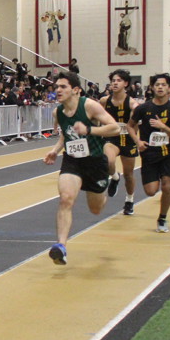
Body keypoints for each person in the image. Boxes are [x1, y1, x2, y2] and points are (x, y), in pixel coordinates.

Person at [42, 72, 120, 265]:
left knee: (96, 209)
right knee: (66, 198)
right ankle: (61, 246)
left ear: (76, 90)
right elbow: (66, 134)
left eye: (63, 87)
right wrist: (55, 150)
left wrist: (89, 130)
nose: (58, 90)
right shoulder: (58, 112)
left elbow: (115, 128)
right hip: (73, 160)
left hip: (95, 162)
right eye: (57, 87)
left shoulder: (89, 106)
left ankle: (110, 180)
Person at [127, 73, 170, 233]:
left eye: (163, 85)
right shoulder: (143, 108)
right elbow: (130, 126)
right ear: (152, 88)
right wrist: (138, 141)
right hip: (149, 154)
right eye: (157, 84)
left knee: (167, 186)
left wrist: (163, 127)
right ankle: (158, 179)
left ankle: (162, 218)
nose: (160, 87)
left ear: (169, 88)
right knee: (151, 191)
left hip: (168, 153)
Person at [100, 69, 140, 215]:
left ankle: (129, 200)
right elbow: (97, 116)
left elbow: (136, 124)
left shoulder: (132, 104)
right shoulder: (104, 101)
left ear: (126, 84)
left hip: (127, 139)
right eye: (113, 81)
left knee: (128, 174)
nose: (115, 83)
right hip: (111, 138)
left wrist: (136, 140)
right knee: (108, 161)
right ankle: (115, 177)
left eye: (119, 81)